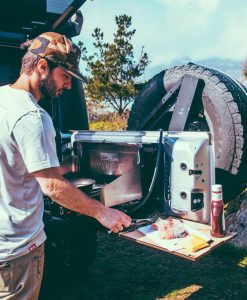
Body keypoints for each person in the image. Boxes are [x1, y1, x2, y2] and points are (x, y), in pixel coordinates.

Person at [0, 32, 131, 300]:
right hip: (17, 250)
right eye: (67, 76)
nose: (69, 86)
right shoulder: (33, 116)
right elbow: (51, 186)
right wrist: (102, 212)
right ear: (42, 66)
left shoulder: (2, 98)